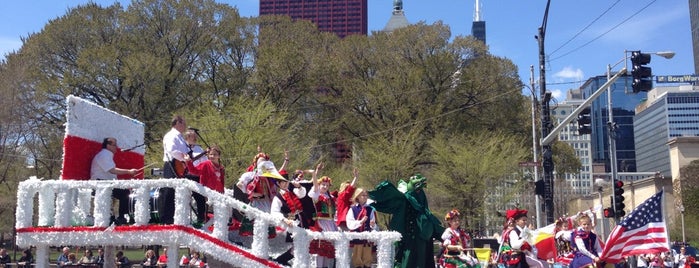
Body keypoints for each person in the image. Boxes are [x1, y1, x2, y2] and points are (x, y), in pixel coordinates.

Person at [90, 137, 138, 225]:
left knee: (124, 192)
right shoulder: (104, 155)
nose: (117, 147)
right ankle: (121, 217)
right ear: (108, 146)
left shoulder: (107, 155)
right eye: (114, 145)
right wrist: (129, 171)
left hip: (106, 183)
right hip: (101, 183)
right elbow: (112, 170)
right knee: (125, 192)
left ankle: (118, 218)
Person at [270, 168, 307, 266]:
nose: (286, 184)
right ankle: (282, 260)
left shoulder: (292, 191)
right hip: (291, 221)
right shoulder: (277, 197)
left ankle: (281, 260)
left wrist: (299, 187)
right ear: (278, 183)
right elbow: (274, 212)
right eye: (283, 182)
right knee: (298, 245)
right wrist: (285, 220)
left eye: (286, 182)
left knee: (302, 244)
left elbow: (302, 194)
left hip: (302, 219)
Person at [160, 115, 189, 224]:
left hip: (180, 164)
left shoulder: (180, 137)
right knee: (169, 191)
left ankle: (175, 218)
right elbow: (172, 150)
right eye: (183, 123)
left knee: (177, 192)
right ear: (177, 123)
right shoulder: (171, 135)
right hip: (172, 163)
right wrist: (184, 158)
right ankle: (166, 219)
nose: (185, 126)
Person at [307, 163, 337, 268]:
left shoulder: (330, 197)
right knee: (320, 249)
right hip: (320, 224)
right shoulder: (317, 195)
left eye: (327, 185)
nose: (325, 186)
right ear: (319, 185)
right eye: (323, 184)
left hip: (330, 224)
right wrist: (315, 173)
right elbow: (314, 187)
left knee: (327, 250)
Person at [346, 187, 378, 268]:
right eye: (362, 195)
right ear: (357, 196)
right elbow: (349, 223)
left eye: (366, 195)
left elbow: (373, 224)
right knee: (357, 257)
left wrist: (373, 225)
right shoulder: (353, 209)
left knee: (367, 258)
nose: (365, 197)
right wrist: (360, 222)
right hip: (357, 238)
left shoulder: (370, 209)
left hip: (367, 238)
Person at [184, 128, 208, 225]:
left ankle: (200, 219)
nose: (195, 138)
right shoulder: (183, 147)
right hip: (186, 175)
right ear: (187, 137)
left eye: (195, 137)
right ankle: (184, 220)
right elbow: (187, 160)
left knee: (200, 198)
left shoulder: (199, 148)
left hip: (197, 175)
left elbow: (205, 161)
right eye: (193, 137)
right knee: (184, 197)